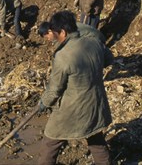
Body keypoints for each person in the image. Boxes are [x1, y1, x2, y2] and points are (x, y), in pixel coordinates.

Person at [37, 11, 113, 165]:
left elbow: (55, 89)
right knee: (95, 138)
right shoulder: (94, 43)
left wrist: (43, 103)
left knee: (51, 141)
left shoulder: (63, 56)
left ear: (63, 32)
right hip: (96, 102)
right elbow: (109, 59)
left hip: (73, 107)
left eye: (56, 33)